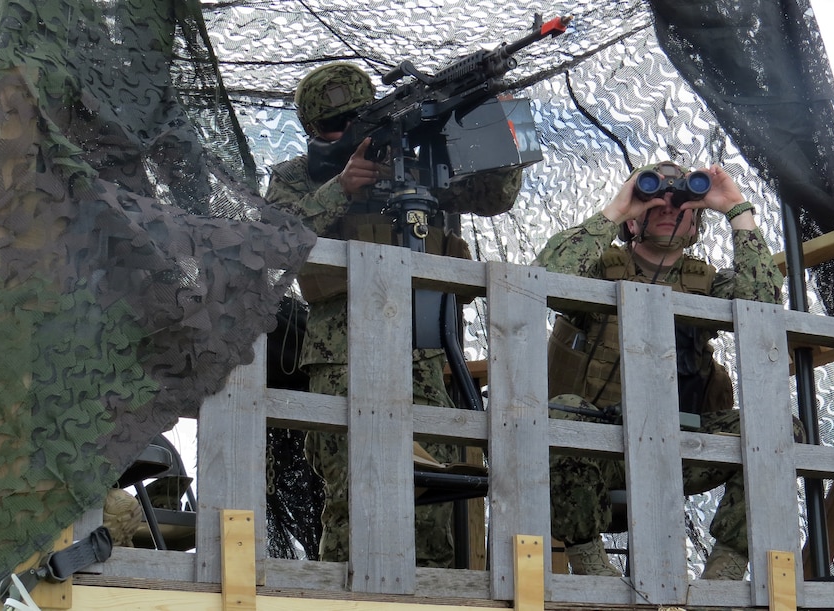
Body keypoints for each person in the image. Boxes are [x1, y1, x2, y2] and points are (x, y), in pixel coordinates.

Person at [265, 62, 522, 566]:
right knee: (353, 486)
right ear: (313, 132)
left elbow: (497, 195)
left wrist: (494, 111)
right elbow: (274, 243)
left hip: (424, 348)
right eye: (333, 126)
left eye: (358, 120)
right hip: (342, 353)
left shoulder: (421, 164)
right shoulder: (296, 176)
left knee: (432, 490)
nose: (349, 133)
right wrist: (340, 187)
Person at [534, 160, 792, 580]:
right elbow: (544, 276)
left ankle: (725, 571)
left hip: (679, 450)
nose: (669, 207)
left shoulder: (708, 284)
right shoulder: (597, 268)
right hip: (597, 450)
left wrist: (736, 210)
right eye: (654, 201)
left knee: (778, 426)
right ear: (635, 221)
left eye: (683, 203)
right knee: (560, 410)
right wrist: (618, 208)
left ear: (694, 228)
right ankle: (589, 562)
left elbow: (762, 304)